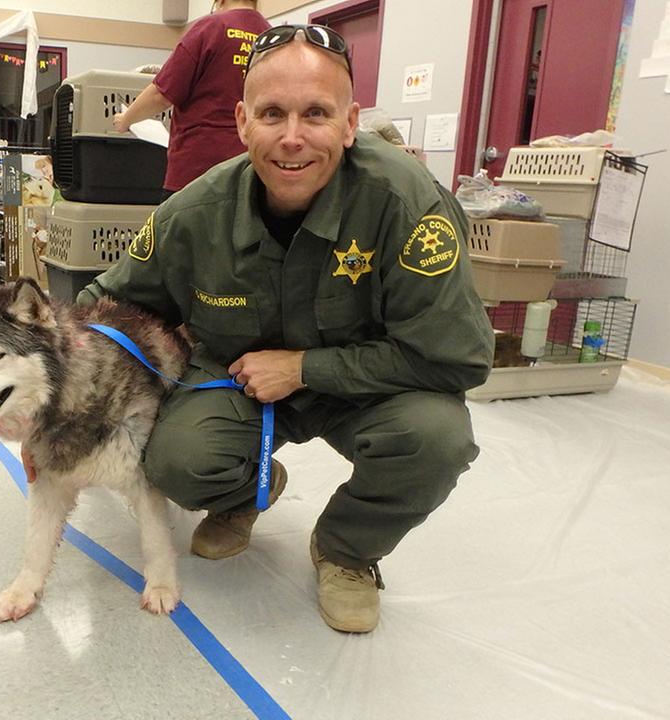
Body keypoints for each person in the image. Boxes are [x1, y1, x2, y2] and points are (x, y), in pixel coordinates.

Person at [78, 25, 495, 633]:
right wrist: (63, 406)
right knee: (179, 461)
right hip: (239, 383)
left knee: (437, 440)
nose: (293, 138)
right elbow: (105, 308)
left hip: (372, 386)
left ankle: (347, 551)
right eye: (273, 114)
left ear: (351, 123)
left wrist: (303, 368)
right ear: (243, 122)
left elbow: (458, 358)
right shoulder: (193, 215)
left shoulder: (408, 206)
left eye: (317, 114)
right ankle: (246, 490)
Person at [113, 0, 269, 195]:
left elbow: (161, 94)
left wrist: (125, 119)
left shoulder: (211, 28)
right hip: (248, 171)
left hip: (196, 171)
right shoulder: (270, 37)